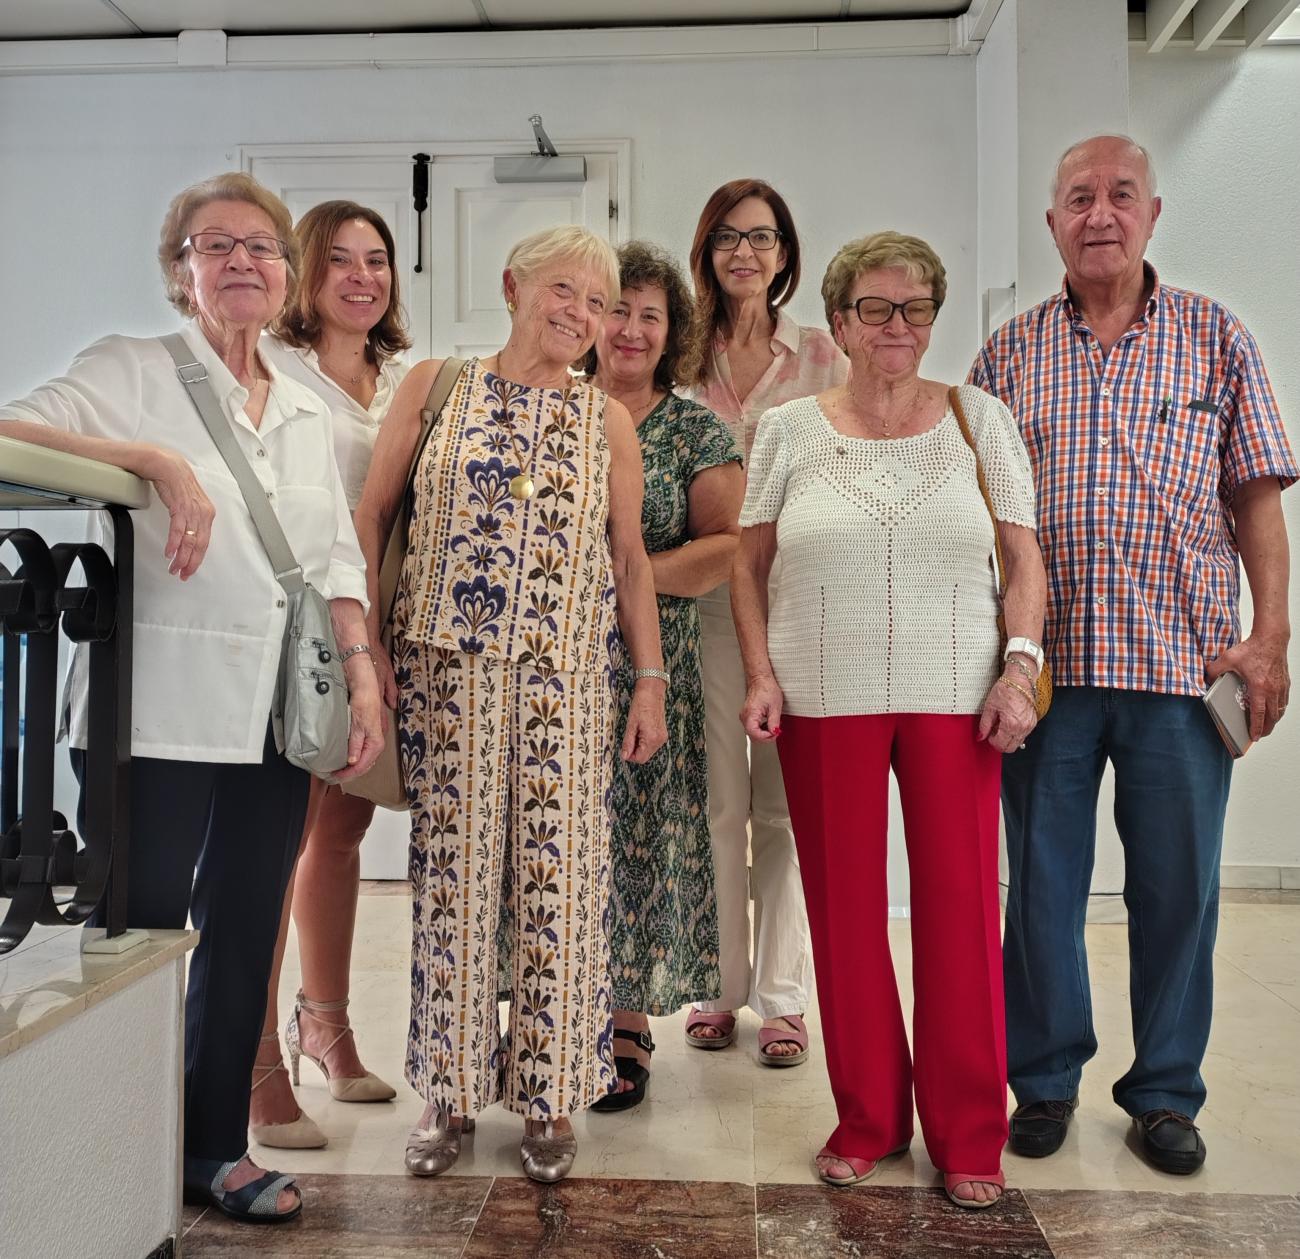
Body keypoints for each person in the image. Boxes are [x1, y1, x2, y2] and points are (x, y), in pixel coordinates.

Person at [0, 171, 384, 1224]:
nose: (242, 260)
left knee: (248, 924)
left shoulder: (302, 401)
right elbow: (11, 434)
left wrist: (360, 672)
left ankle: (212, 1147)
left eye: (261, 246)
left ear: (285, 273)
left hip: (272, 713)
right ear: (181, 272)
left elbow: (334, 557)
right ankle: (116, 1151)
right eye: (216, 244)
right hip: (151, 711)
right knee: (137, 933)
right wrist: (150, 459)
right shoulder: (131, 367)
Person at [969, 134, 1296, 1176]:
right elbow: (972, 514)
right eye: (1078, 197)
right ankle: (1045, 1077)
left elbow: (1256, 499)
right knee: (1042, 889)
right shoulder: (1008, 354)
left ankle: (1163, 1091)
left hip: (1182, 670)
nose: (1099, 213)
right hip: (1048, 675)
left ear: (1153, 213)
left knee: (1177, 892)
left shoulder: (1216, 337)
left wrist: (1270, 635)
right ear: (1052, 223)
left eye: (1120, 194)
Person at [733, 231, 1047, 1208]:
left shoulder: (979, 418)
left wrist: (1020, 667)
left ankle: (969, 1133)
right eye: (875, 307)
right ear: (840, 322)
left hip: (956, 694)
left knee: (960, 909)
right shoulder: (788, 429)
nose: (897, 325)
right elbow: (747, 563)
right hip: (822, 694)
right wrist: (760, 672)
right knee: (844, 915)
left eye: (914, 307)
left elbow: (1024, 558)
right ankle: (867, 1116)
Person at [353, 224, 667, 1183]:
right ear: (513, 287)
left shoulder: (604, 420)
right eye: (564, 290)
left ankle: (549, 1093)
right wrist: (366, 644)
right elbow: (372, 515)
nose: (581, 314)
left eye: (598, 302)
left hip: (565, 684)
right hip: (445, 678)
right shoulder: (435, 385)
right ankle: (447, 1092)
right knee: (453, 887)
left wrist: (649, 680)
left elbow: (628, 560)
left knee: (558, 889)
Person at [248, 200, 413, 1148]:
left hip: (379, 620)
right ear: (306, 273)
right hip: (305, 625)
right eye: (342, 260)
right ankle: (254, 1059)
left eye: (377, 259)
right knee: (277, 840)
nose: (362, 277)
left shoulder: (403, 378)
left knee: (342, 827)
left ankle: (328, 1026)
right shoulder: (276, 368)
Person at [676, 179, 846, 1065]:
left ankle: (782, 995)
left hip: (798, 608)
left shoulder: (823, 357)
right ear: (706, 251)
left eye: (763, 237)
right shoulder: (677, 356)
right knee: (716, 800)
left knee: (783, 809)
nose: (745, 252)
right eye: (728, 238)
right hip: (705, 603)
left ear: (784, 253)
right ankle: (717, 983)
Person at [579, 241, 743, 1109]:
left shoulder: (695, 430)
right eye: (618, 309)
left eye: (651, 315)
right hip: (553, 662)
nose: (632, 329)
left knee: (636, 838)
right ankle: (551, 1012)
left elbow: (727, 547)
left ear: (672, 331)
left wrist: (627, 578)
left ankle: (626, 1018)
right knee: (556, 833)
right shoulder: (552, 410)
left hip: (655, 664)